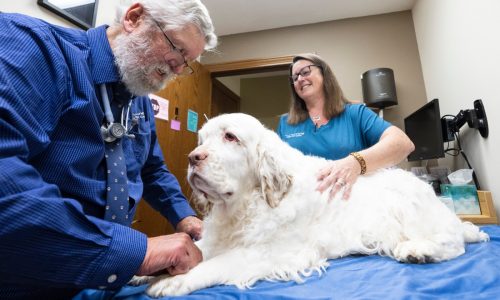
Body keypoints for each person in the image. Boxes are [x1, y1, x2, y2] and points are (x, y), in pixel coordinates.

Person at [0, 0, 217, 298]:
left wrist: (183, 215)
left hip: (102, 277)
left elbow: (152, 170)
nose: (177, 69)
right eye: (177, 49)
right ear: (135, 17)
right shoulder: (32, 46)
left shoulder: (138, 96)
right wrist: (139, 253)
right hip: (28, 278)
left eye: (187, 62)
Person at [277, 53, 415, 199]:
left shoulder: (355, 113)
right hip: (305, 210)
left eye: (305, 72)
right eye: (295, 77)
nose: (299, 79)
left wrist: (355, 162)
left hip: (351, 208)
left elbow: (403, 144)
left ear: (324, 73)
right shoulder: (285, 123)